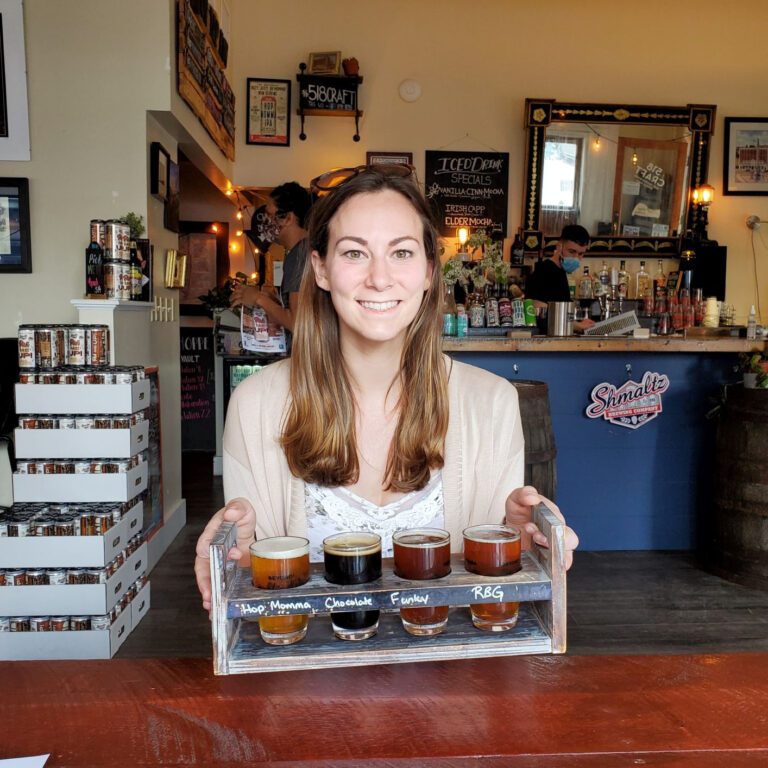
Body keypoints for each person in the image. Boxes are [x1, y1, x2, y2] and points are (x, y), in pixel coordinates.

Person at [195, 165, 579, 612]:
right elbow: (258, 586)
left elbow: (489, 585)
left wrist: (528, 546)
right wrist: (231, 558)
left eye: (401, 253)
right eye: (354, 253)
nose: (379, 278)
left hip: (450, 672)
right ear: (320, 269)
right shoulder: (256, 405)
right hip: (307, 675)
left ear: (430, 270)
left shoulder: (490, 403)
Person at [230, 181, 312, 335]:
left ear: (287, 218)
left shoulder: (298, 256)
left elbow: (298, 323)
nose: (265, 221)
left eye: (269, 215)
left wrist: (258, 299)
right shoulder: (305, 250)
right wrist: (272, 302)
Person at [524, 224, 595, 331]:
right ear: (559, 246)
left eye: (581, 254)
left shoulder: (561, 272)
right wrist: (576, 326)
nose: (576, 258)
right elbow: (538, 309)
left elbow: (561, 312)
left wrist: (577, 323)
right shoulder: (544, 271)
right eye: (572, 252)